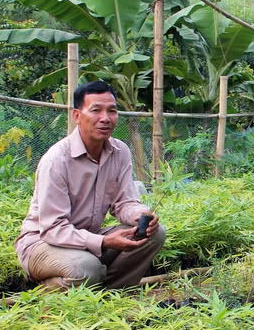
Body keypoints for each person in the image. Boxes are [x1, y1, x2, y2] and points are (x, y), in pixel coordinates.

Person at [15, 81, 166, 290]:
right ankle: (47, 292)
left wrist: (140, 215)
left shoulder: (120, 151)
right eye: (96, 110)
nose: (105, 118)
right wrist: (104, 242)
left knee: (155, 234)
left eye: (112, 111)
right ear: (77, 116)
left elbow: (125, 202)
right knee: (86, 267)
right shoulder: (56, 160)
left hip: (85, 239)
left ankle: (106, 293)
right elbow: (53, 229)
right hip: (42, 244)